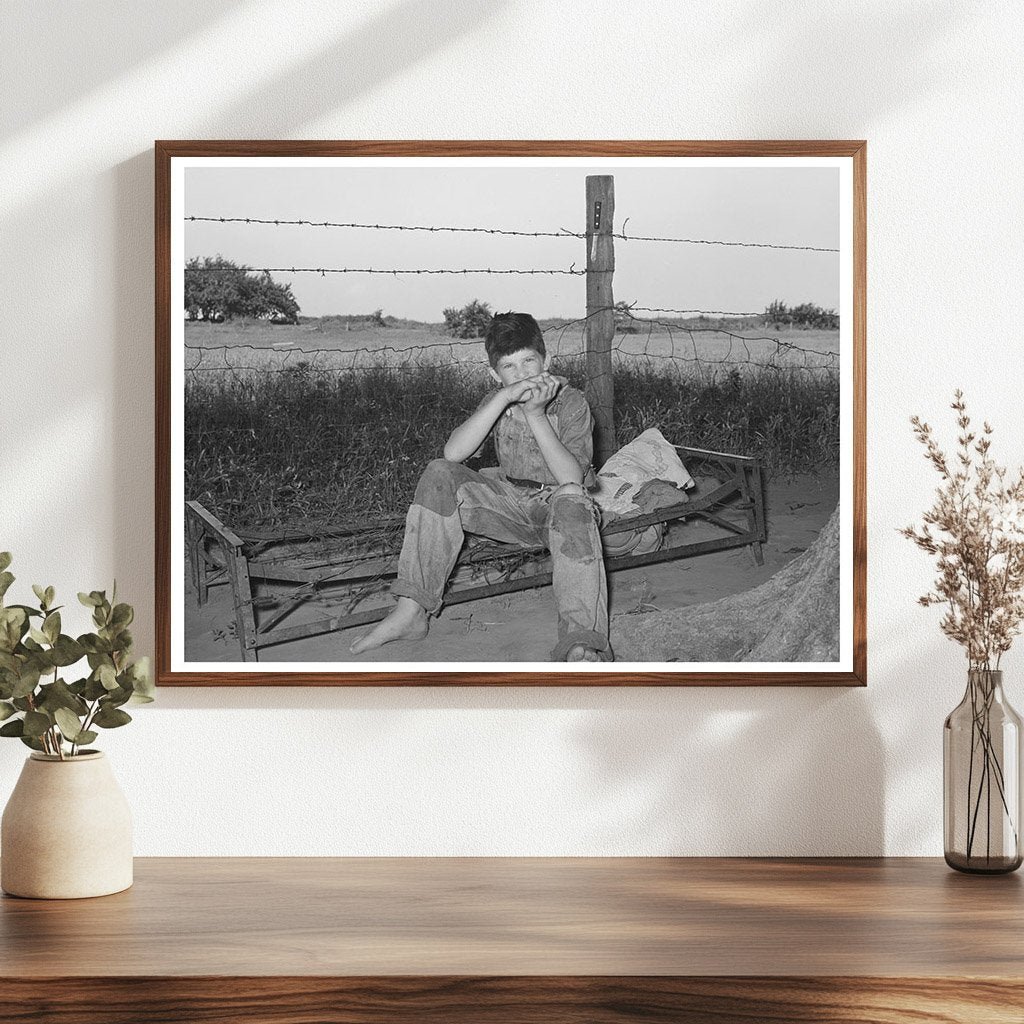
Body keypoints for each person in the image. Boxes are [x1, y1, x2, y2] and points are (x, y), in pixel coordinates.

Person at [350, 311, 611, 662]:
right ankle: (411, 611)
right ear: (494, 374)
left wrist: (535, 415)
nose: (522, 376)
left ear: (547, 361)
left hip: (561, 512)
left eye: (529, 362)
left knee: (572, 498)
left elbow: (571, 478)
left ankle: (581, 640)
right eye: (509, 368)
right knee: (440, 472)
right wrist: (502, 399)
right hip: (510, 505)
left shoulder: (571, 402)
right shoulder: (497, 401)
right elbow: (453, 453)